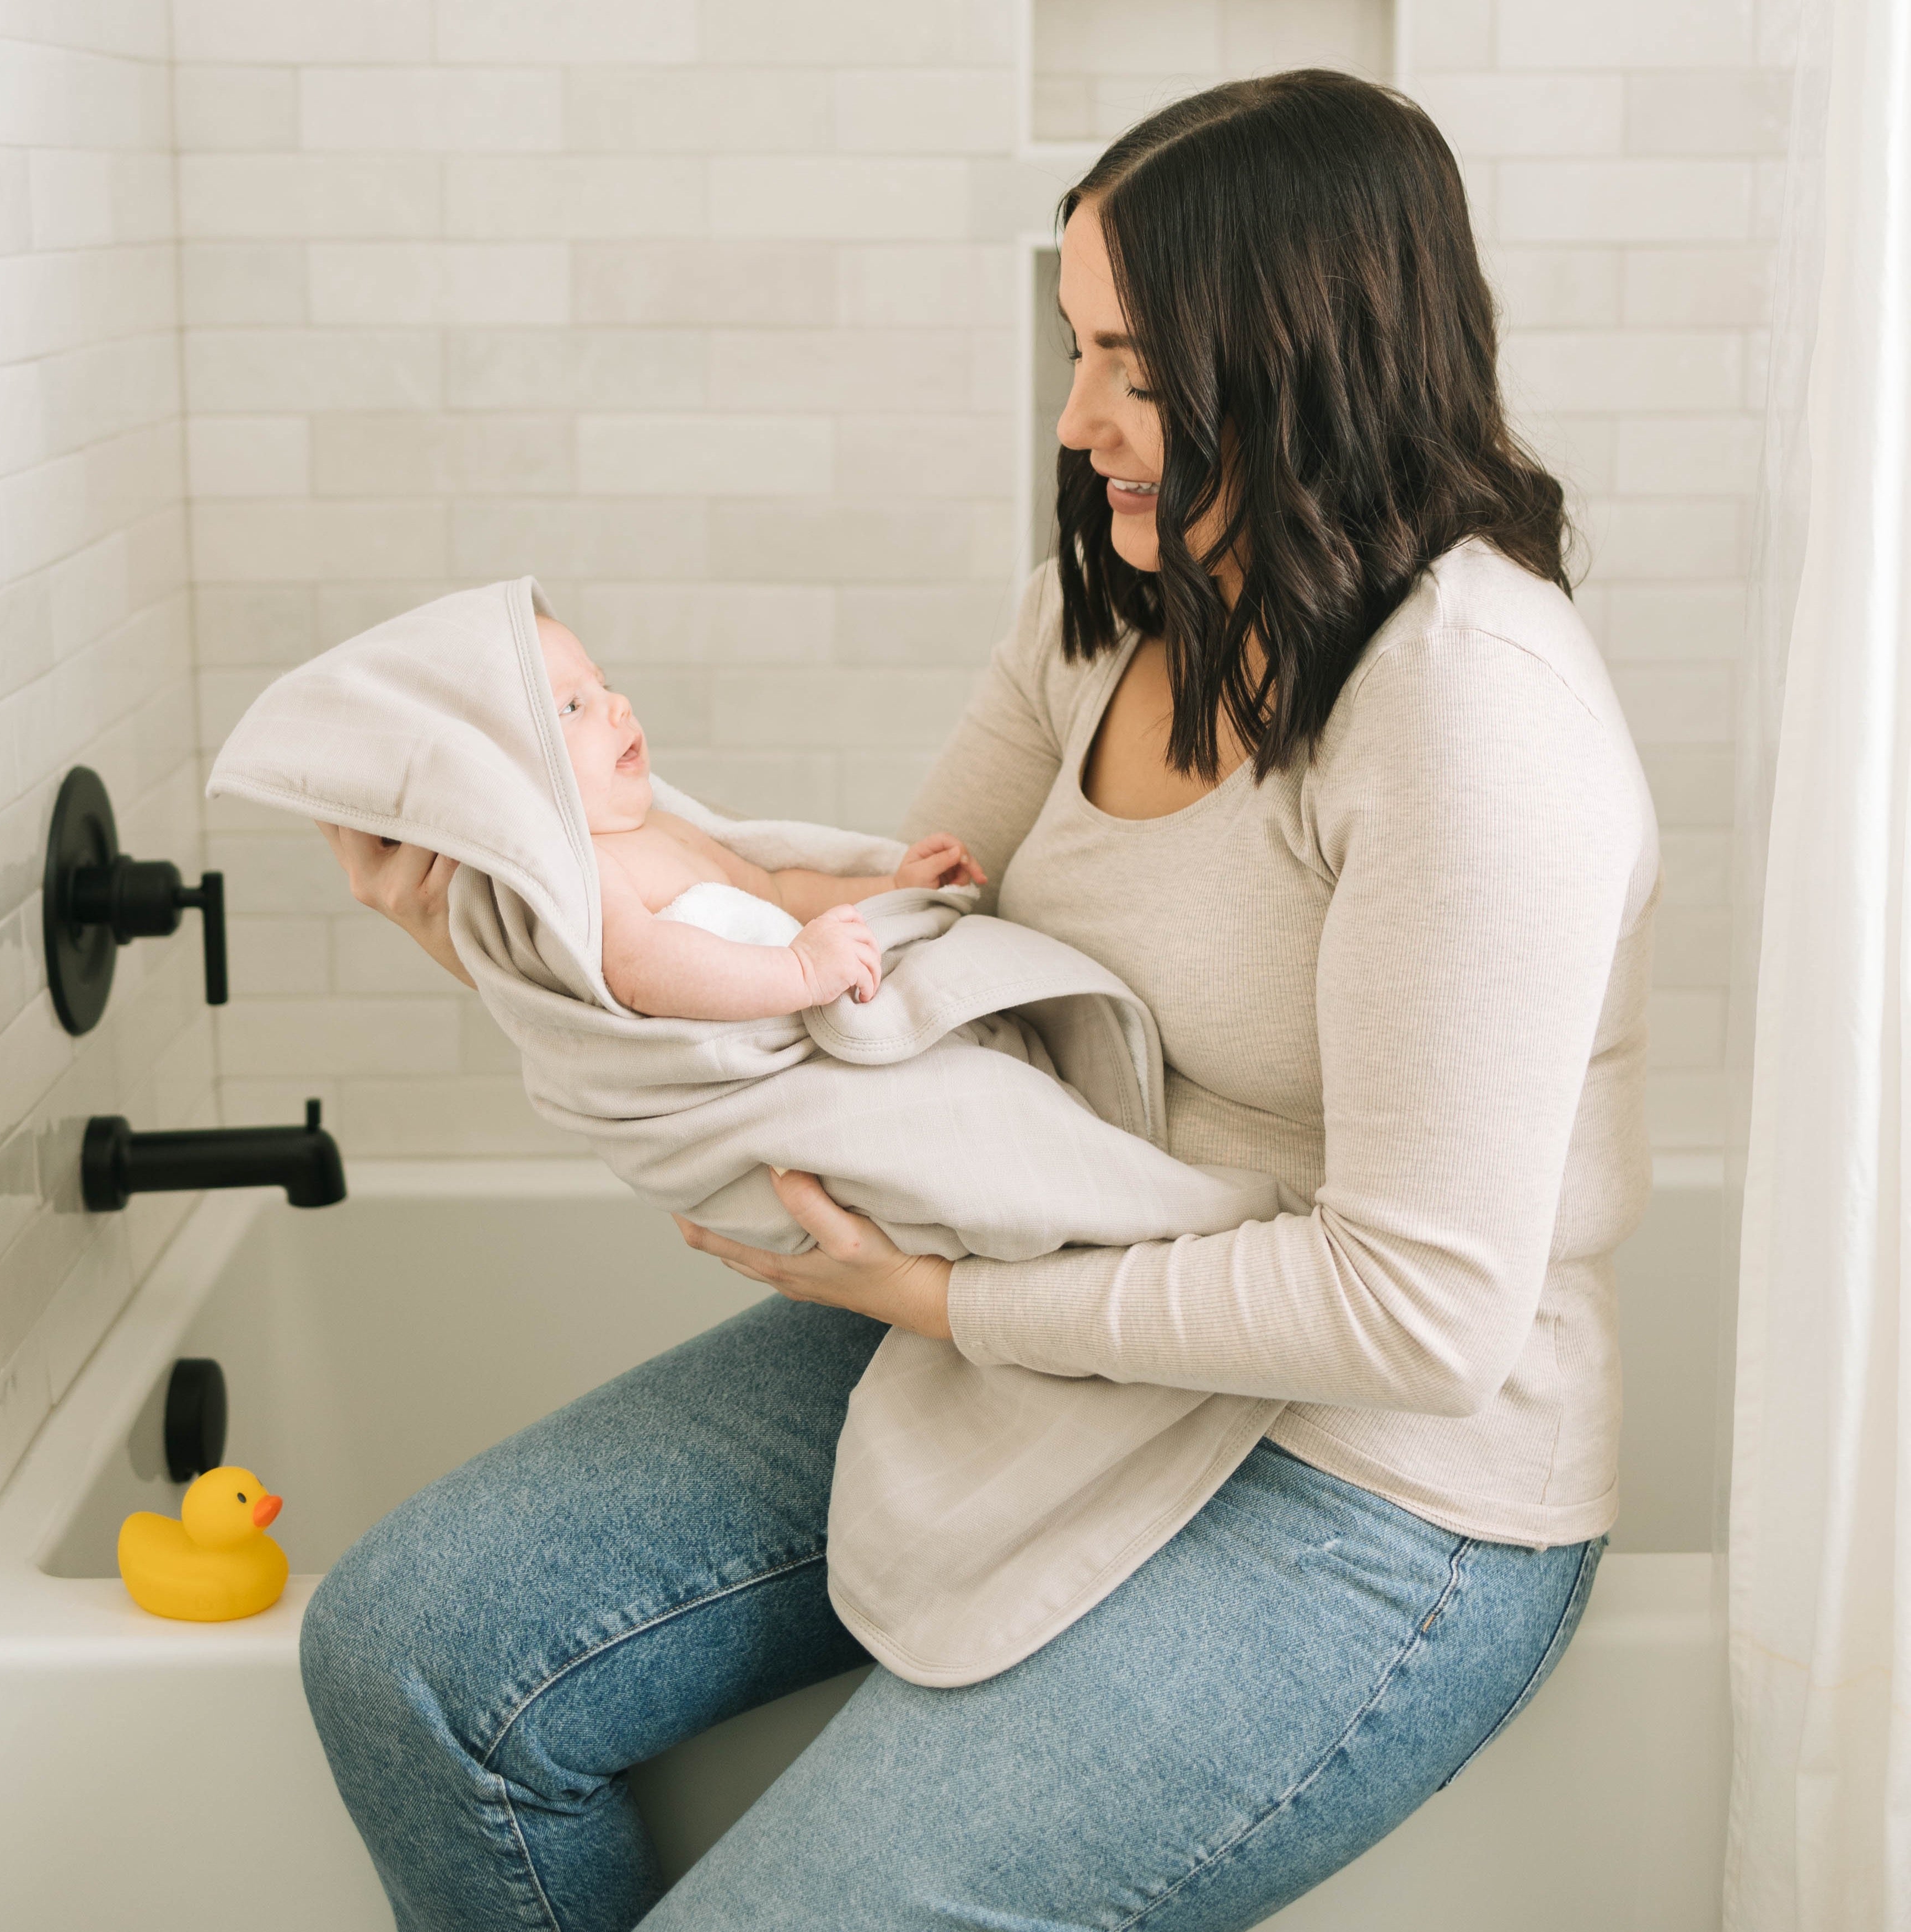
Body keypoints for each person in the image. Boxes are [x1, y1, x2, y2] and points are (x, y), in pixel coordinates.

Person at [301, 69, 1657, 1930]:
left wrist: (945, 1297)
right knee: (407, 1657)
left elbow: (1414, 1313)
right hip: (1045, 1321)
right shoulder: (1101, 611)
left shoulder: (1472, 709)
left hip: (1364, 1480)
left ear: (1314, 360)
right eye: (1072, 343)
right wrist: (525, 913)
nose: (1079, 415)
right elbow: (867, 984)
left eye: (1139, 365)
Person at [536, 609, 985, 1017]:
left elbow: (776, 891)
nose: (620, 705)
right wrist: (800, 970)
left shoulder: (664, 827)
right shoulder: (591, 866)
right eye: (572, 707)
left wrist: (891, 886)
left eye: (605, 685)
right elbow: (640, 969)